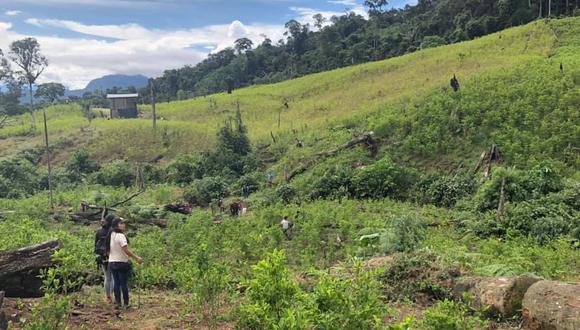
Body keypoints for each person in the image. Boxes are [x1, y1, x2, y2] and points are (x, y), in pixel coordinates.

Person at [107, 217, 143, 309]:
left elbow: (108, 250)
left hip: (112, 262)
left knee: (116, 283)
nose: (123, 225)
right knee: (123, 283)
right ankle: (126, 304)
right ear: (116, 225)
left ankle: (118, 303)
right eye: (121, 223)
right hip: (121, 262)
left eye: (123, 223)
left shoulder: (111, 234)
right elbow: (126, 250)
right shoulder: (121, 236)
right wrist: (137, 258)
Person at [95, 214, 115, 303]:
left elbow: (95, 245)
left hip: (102, 257)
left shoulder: (99, 231)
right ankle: (111, 295)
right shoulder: (113, 232)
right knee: (113, 277)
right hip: (112, 255)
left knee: (107, 277)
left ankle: (108, 296)